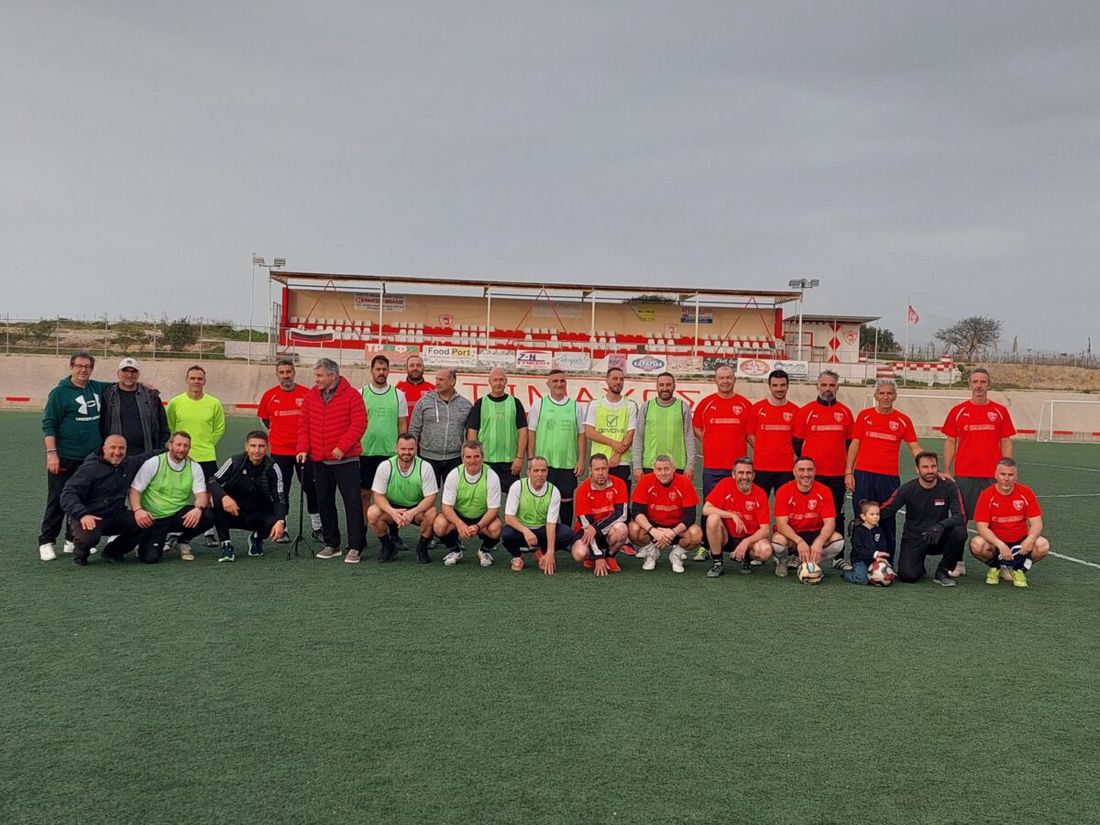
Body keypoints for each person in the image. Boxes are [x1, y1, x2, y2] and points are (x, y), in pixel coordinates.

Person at [941, 367, 1017, 577]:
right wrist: (947, 469)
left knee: (998, 521)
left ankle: (1003, 564)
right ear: (970, 385)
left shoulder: (1000, 411)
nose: (979, 385)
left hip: (993, 477)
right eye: (975, 382)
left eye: (983, 382)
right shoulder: (958, 411)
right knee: (960, 520)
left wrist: (1006, 470)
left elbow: (1006, 441)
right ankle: (957, 562)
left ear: (989, 384)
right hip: (965, 474)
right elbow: (950, 441)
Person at [39, 351, 110, 560]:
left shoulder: (96, 387)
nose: (83, 370)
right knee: (58, 498)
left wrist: (145, 385)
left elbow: (120, 384)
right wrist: (52, 454)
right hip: (65, 457)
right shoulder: (59, 393)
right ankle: (46, 541)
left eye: (87, 366)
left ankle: (72, 539)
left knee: (83, 499)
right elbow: (48, 424)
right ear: (71, 367)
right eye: (79, 366)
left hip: (89, 459)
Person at [295, 358, 368, 561]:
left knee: (352, 503)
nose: (316, 379)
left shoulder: (352, 395)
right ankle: (331, 543)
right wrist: (302, 448)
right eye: (316, 375)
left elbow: (360, 423)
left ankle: (356, 546)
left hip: (347, 461)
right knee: (324, 502)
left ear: (332, 375)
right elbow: (304, 425)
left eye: (320, 375)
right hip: (320, 460)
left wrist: (342, 448)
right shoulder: (311, 396)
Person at [844, 378, 920, 554]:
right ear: (876, 396)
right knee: (862, 518)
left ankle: (886, 561)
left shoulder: (903, 420)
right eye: (882, 393)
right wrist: (849, 472)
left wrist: (928, 464)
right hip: (863, 475)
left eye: (889, 393)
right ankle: (860, 559)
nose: (885, 397)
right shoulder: (864, 416)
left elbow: (914, 447)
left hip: (889, 478)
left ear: (895, 396)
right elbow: (855, 444)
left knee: (886, 519)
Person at [793, 369, 854, 570]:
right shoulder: (806, 411)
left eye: (832, 385)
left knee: (837, 515)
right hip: (811, 476)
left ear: (838, 387)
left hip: (837, 475)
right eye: (824, 385)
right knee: (804, 514)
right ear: (817, 386)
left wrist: (847, 470)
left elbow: (850, 444)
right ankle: (798, 554)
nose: (828, 389)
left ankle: (838, 557)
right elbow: (797, 443)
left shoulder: (845, 412)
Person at [59, 434, 151, 565]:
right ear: (104, 449)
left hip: (116, 515)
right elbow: (67, 494)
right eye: (113, 447)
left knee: (144, 521)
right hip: (90, 516)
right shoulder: (89, 468)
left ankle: (112, 552)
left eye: (121, 448)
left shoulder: (129, 463)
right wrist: (82, 515)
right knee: (87, 537)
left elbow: (149, 456)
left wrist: (174, 449)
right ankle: (80, 555)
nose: (117, 452)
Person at [879, 451, 966, 586]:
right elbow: (888, 509)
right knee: (908, 576)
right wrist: (863, 519)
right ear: (917, 469)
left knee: (960, 532)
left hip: (938, 536)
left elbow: (960, 516)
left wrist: (941, 526)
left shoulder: (949, 486)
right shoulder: (907, 489)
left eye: (933, 466)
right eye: (925, 467)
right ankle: (918, 567)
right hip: (914, 537)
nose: (930, 471)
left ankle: (943, 571)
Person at [258, 358, 321, 540]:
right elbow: (264, 420)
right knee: (281, 490)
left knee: (312, 488)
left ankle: (318, 527)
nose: (286, 375)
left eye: (288, 371)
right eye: (282, 372)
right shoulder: (269, 396)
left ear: (294, 372)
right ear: (277, 374)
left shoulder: (307, 394)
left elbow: (315, 418)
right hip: (279, 452)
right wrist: (276, 434)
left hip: (304, 451)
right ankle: (282, 527)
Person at [128, 431, 214, 563]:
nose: (182, 449)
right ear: (170, 445)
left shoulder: (194, 467)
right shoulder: (154, 463)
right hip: (154, 518)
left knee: (209, 515)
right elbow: (135, 490)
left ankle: (182, 542)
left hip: (177, 515)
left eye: (186, 446)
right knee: (150, 558)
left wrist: (198, 509)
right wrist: (138, 510)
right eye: (178, 444)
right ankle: (145, 541)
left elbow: (201, 496)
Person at [166, 365, 225, 547]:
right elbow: (170, 426)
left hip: (206, 456)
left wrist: (207, 444)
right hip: (181, 456)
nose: (196, 381)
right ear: (187, 380)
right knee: (177, 491)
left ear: (204, 381)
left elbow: (219, 428)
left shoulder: (214, 403)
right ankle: (174, 530)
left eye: (200, 378)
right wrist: (181, 448)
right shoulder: (175, 403)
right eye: (193, 378)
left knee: (209, 493)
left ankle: (208, 532)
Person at [207, 430, 288, 563]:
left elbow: (280, 497)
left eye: (261, 446)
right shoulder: (234, 461)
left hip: (258, 513)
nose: (257, 450)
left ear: (267, 448)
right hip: (233, 511)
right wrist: (225, 497)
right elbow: (212, 481)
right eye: (253, 446)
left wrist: (281, 521)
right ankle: (226, 544)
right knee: (217, 499)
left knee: (277, 518)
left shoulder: (273, 467)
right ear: (246, 447)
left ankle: (257, 538)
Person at [970, 458, 1050, 588]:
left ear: (1016, 476)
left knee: (1043, 545)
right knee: (977, 544)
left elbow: (1037, 523)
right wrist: (1000, 545)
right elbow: (982, 527)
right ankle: (996, 567)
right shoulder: (986, 495)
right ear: (996, 475)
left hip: (1020, 542)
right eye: (1003, 474)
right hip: (996, 542)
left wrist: (1030, 539)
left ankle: (1019, 569)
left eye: (1011, 475)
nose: (1006, 479)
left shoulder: (1026, 493)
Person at [359, 354, 410, 546]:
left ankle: (394, 535)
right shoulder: (361, 393)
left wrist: (402, 452)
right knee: (364, 495)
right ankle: (362, 534)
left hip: (390, 455)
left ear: (388, 371)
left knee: (390, 496)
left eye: (384, 369)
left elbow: (402, 424)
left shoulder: (398, 395)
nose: (381, 372)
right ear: (371, 371)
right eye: (378, 369)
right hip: (365, 453)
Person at [366, 433, 438, 565]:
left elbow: (431, 497)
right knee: (372, 513)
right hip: (392, 507)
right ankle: (387, 546)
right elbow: (378, 496)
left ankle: (422, 547)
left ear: (416, 448)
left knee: (432, 513)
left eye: (410, 449)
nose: (407, 452)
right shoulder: (386, 466)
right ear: (396, 448)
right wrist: (392, 512)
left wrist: (413, 512)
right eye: (403, 449)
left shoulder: (425, 467)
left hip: (416, 507)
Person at [527, 370, 586, 527]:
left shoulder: (575, 406)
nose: (559, 384)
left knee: (566, 501)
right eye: (555, 381)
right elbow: (531, 432)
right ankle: (541, 533)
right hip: (543, 465)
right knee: (542, 500)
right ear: (548, 384)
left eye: (562, 381)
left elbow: (581, 434)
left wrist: (581, 459)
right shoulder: (539, 404)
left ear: (566, 383)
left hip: (567, 463)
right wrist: (531, 458)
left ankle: (565, 533)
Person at [771, 457, 846, 578]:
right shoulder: (784, 490)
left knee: (838, 541)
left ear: (815, 472)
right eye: (801, 470)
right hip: (793, 535)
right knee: (778, 541)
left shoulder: (824, 491)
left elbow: (830, 523)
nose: (806, 474)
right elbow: (781, 525)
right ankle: (782, 562)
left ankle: (811, 562)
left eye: (809, 470)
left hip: (815, 532)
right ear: (794, 472)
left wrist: (820, 541)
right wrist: (799, 541)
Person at [628, 455, 704, 573]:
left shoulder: (684, 482)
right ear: (654, 470)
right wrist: (653, 531)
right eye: (659, 469)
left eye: (666, 469)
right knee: (633, 528)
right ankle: (651, 552)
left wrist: (672, 532)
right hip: (653, 526)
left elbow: (690, 516)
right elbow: (636, 511)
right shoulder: (646, 480)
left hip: (676, 528)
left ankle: (676, 555)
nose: (663, 473)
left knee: (696, 533)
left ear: (673, 468)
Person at [433, 440, 503, 567]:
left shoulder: (491, 476)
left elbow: (494, 509)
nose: (472, 461)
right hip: (460, 515)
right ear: (462, 458)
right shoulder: (454, 475)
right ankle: (455, 550)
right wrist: (459, 524)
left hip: (482, 516)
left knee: (496, 528)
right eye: (468, 457)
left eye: (476, 456)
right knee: (439, 524)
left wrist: (478, 526)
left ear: (482, 457)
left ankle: (484, 551)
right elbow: (446, 507)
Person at [501, 457, 575, 574]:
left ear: (547, 472)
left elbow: (551, 524)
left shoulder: (554, 491)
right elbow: (509, 517)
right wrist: (525, 531)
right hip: (522, 531)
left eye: (543, 470)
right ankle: (517, 557)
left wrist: (550, 553)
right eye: (536, 471)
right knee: (506, 533)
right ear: (528, 472)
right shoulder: (518, 486)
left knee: (567, 534)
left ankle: (542, 553)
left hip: (542, 530)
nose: (540, 474)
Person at [693, 364, 753, 506]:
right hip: (712, 467)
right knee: (710, 507)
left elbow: (750, 434)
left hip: (738, 468)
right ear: (715, 380)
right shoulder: (705, 404)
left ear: (734, 380)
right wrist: (709, 442)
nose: (725, 381)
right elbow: (696, 428)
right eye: (721, 378)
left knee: (736, 506)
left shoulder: (746, 405)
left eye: (729, 378)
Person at [702, 457, 772, 578]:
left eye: (748, 473)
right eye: (741, 472)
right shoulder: (725, 484)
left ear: (753, 475)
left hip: (748, 538)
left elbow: (765, 530)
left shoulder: (760, 494)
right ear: (733, 474)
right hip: (727, 537)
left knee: (765, 551)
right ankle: (717, 562)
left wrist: (746, 542)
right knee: (713, 518)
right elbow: (706, 509)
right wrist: (731, 515)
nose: (744, 477)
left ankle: (746, 558)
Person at [465, 367, 528, 492]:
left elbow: (523, 431)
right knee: (485, 497)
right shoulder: (480, 403)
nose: (498, 383)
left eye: (501, 380)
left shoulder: (515, 403)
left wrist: (519, 457)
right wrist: (476, 458)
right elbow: (472, 432)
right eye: (495, 380)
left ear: (506, 381)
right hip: (486, 462)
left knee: (513, 497)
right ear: (489, 381)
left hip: (510, 463)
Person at [409, 367, 473, 489]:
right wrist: (413, 455)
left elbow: (470, 433)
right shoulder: (424, 402)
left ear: (452, 382)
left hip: (455, 459)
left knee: (454, 494)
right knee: (426, 493)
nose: (437, 382)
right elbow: (414, 430)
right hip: (428, 458)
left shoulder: (465, 405)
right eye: (436, 379)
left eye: (441, 380)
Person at [570, 454, 629, 576]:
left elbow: (622, 514)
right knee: (579, 554)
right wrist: (597, 556)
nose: (601, 473)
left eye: (604, 469)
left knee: (622, 529)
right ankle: (590, 557)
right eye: (597, 469)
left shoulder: (619, 484)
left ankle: (610, 556)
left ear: (608, 469)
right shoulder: (582, 490)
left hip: (605, 530)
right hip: (586, 531)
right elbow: (587, 527)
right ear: (590, 470)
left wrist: (596, 528)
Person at [633, 372, 696, 481]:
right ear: (656, 387)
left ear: (674, 386)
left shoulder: (683, 406)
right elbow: (638, 437)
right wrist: (637, 466)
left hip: (677, 467)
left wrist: (690, 466)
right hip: (650, 466)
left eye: (668, 385)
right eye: (661, 385)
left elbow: (689, 438)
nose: (665, 388)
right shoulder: (647, 406)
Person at [584, 367, 638, 493]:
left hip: (621, 462)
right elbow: (589, 432)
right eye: (615, 378)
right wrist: (612, 443)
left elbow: (631, 433)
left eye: (621, 379)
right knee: (598, 499)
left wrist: (617, 455)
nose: (618, 382)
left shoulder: (631, 405)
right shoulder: (595, 404)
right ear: (607, 380)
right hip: (598, 462)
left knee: (621, 498)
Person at [100, 357, 169, 455]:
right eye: (125, 371)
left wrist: (159, 449)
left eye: (133, 371)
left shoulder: (151, 396)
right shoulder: (108, 396)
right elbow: (101, 424)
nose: (129, 375)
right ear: (118, 373)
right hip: (116, 455)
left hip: (146, 454)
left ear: (138, 374)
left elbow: (163, 425)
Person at [747, 369, 799, 499]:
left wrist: (792, 456)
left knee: (785, 504)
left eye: (782, 385)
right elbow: (749, 435)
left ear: (788, 386)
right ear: (769, 386)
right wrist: (762, 450)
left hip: (786, 468)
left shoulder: (796, 411)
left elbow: (798, 439)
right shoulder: (757, 408)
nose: (779, 389)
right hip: (761, 467)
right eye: (775, 385)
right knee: (758, 503)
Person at [843, 500, 892, 585]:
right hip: (860, 560)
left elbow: (883, 546)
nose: (875, 517)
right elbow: (858, 549)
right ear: (863, 516)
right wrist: (874, 554)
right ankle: (847, 574)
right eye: (872, 514)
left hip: (873, 560)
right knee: (862, 580)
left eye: (877, 514)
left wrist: (879, 557)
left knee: (886, 575)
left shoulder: (879, 530)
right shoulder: (858, 530)